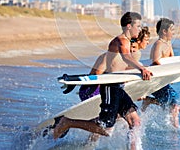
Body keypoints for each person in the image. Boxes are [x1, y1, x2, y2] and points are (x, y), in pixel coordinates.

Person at [53, 12, 153, 148]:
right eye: (138, 26)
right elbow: (126, 57)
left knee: (135, 122)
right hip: (110, 87)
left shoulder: (129, 43)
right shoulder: (121, 40)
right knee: (106, 129)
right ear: (129, 26)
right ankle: (68, 122)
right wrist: (142, 68)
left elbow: (124, 65)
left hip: (119, 87)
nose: (140, 29)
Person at [142, 18, 180, 128]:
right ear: (164, 31)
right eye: (172, 30)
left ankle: (149, 100)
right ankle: (176, 128)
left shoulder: (168, 44)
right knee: (174, 104)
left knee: (177, 104)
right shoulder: (159, 44)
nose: (173, 32)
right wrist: (167, 74)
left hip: (163, 80)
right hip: (156, 80)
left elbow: (172, 60)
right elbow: (155, 61)